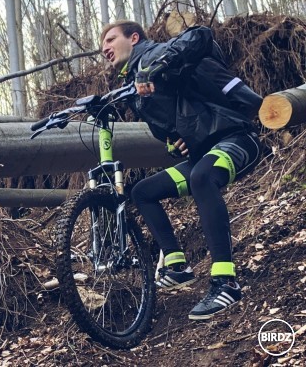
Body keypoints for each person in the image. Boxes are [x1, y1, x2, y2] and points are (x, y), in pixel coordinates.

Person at [100, 20, 262, 320]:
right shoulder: (134, 86)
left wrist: (155, 67)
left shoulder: (157, 55)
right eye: (102, 46)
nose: (105, 48)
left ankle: (226, 282)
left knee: (201, 178)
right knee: (143, 192)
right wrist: (176, 143)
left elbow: (200, 35)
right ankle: (177, 266)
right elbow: (171, 130)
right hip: (205, 152)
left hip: (237, 138)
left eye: (111, 40)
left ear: (134, 37)